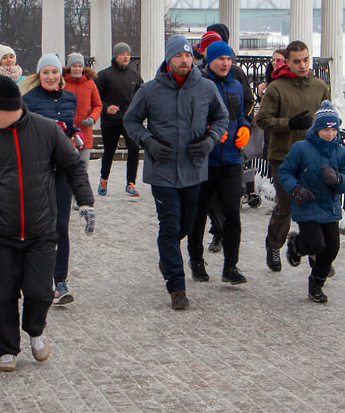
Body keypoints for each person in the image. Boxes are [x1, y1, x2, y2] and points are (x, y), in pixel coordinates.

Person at [0, 76, 95, 372]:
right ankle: (7, 349)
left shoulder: (46, 130)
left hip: (41, 230)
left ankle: (35, 330)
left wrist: (85, 201)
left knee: (39, 292)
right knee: (4, 295)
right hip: (2, 232)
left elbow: (73, 165)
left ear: (12, 108)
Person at [123, 35, 229, 310]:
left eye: (188, 56)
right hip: (163, 171)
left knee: (185, 224)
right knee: (169, 226)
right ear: (169, 59)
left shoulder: (205, 88)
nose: (185, 60)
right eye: (179, 56)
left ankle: (166, 254)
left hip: (194, 170)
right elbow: (131, 120)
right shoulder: (150, 90)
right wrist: (148, 141)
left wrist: (210, 140)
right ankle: (176, 286)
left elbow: (221, 117)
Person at [254, 40, 329, 272]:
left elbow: (329, 116)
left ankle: (315, 255)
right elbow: (262, 120)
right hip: (283, 156)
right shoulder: (277, 88)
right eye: (296, 61)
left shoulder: (320, 87)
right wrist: (290, 123)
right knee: (286, 205)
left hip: (313, 157)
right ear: (287, 62)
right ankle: (274, 245)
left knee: (314, 208)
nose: (302, 65)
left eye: (306, 59)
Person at [22, 53, 86, 305]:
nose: (50, 77)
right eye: (45, 72)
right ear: (39, 75)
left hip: (62, 168)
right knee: (36, 226)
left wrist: (75, 132)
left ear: (61, 74)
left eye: (54, 72)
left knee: (61, 226)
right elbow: (23, 131)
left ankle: (60, 281)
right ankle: (33, 278)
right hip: (37, 170)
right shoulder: (28, 100)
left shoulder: (70, 97)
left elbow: (69, 125)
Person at [186, 41, 249, 286]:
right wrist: (208, 131)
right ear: (209, 60)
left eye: (229, 59)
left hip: (232, 159)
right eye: (221, 59)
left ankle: (230, 266)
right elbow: (191, 119)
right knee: (198, 212)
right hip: (206, 159)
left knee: (232, 213)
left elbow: (241, 114)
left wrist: (245, 127)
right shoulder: (199, 85)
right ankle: (197, 260)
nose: (225, 63)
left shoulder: (236, 84)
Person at [278, 100, 345, 303]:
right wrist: (295, 189)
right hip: (307, 203)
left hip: (330, 206)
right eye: (325, 130)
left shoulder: (341, 153)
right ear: (317, 129)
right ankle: (297, 244)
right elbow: (285, 171)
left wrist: (339, 179)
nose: (330, 134)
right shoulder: (301, 148)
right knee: (315, 243)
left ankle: (316, 283)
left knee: (331, 248)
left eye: (334, 130)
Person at [95, 42, 143, 196]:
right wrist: (106, 107)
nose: (126, 56)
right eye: (123, 54)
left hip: (129, 120)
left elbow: (141, 96)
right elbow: (95, 97)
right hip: (110, 121)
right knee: (109, 151)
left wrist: (138, 111)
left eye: (128, 54)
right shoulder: (104, 75)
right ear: (116, 56)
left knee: (134, 148)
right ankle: (104, 180)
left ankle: (131, 183)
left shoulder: (134, 75)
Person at [64, 52, 102, 172]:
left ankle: (81, 189)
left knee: (83, 167)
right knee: (71, 164)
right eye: (74, 66)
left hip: (85, 131)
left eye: (80, 66)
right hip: (68, 131)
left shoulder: (90, 83)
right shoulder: (62, 83)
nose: (77, 69)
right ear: (69, 67)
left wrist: (92, 118)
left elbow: (97, 105)